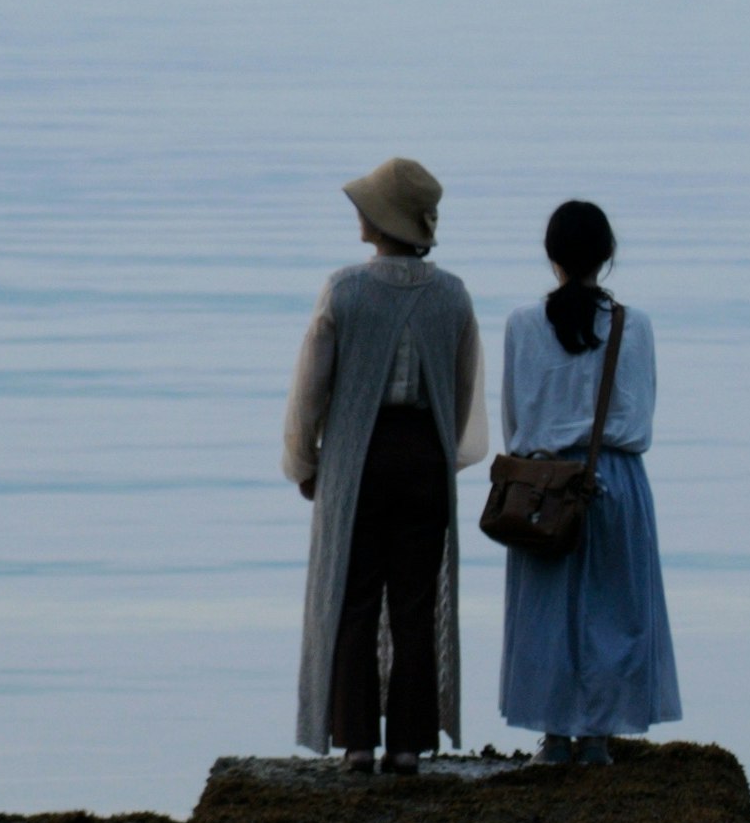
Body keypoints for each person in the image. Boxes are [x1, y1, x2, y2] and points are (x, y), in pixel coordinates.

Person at [284, 156, 485, 774]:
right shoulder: (450, 294)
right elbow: (462, 388)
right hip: (423, 456)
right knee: (415, 603)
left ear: (379, 219)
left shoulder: (344, 290)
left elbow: (311, 390)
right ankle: (407, 744)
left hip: (358, 460)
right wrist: (438, 458)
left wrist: (305, 462)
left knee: (353, 597)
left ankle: (356, 743)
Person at [495, 198, 680, 764]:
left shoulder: (522, 324)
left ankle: (553, 736)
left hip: (544, 482)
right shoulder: (635, 326)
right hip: (614, 476)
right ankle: (599, 735)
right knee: (615, 611)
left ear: (551, 256)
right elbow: (641, 415)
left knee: (546, 612)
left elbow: (514, 421)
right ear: (607, 257)